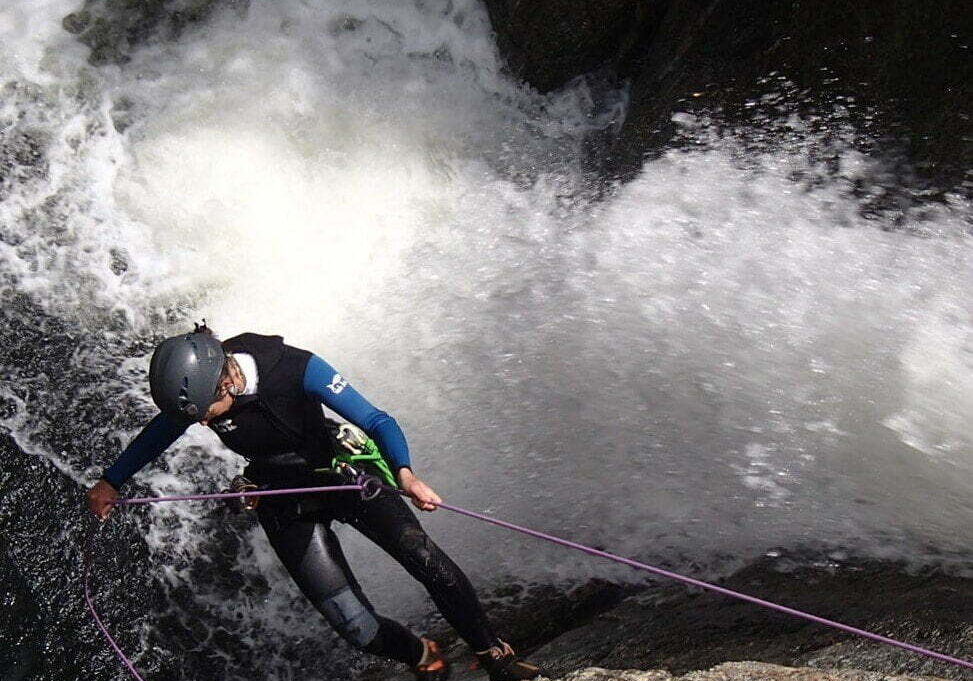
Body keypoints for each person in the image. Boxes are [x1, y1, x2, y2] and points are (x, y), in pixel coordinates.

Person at [87, 326, 546, 681]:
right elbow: (159, 432)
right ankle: (420, 653)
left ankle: (494, 657)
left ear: (225, 382)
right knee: (356, 628)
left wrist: (405, 473)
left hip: (345, 478)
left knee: (428, 564)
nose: (198, 425)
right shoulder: (201, 390)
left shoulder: (296, 367)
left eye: (201, 415)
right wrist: (112, 480)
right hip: (282, 499)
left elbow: (376, 419)